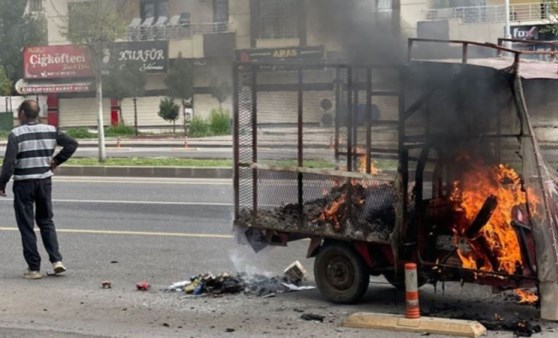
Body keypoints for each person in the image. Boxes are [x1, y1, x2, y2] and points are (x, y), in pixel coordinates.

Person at [0, 100, 78, 280]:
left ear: (21, 114)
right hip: (44, 183)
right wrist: (56, 161)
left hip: (23, 185)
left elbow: (9, 163)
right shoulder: (51, 130)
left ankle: (34, 268)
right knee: (46, 221)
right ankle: (56, 260)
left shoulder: (16, 134)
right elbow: (72, 144)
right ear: (37, 114)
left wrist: (2, 184)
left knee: (26, 225)